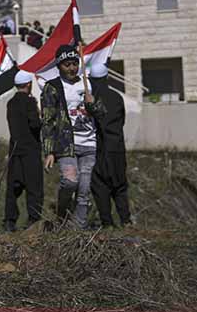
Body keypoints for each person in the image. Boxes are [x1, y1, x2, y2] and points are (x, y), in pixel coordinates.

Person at [41, 45, 106, 229]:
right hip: (65, 145)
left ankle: (77, 229)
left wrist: (92, 103)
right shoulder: (52, 88)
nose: (71, 68)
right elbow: (48, 121)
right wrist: (49, 151)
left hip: (89, 145)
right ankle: (61, 213)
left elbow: (102, 113)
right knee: (70, 181)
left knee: (84, 191)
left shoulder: (88, 83)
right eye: (67, 64)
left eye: (74, 64)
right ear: (59, 66)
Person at [89, 62, 131, 228]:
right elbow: (122, 121)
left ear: (92, 80)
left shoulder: (93, 99)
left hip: (102, 148)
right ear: (106, 77)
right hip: (118, 148)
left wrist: (90, 104)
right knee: (120, 186)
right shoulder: (117, 97)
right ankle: (126, 220)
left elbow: (98, 120)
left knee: (100, 185)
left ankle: (107, 223)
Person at [4, 70, 43, 232]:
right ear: (28, 84)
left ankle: (9, 220)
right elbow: (34, 124)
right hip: (30, 150)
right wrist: (40, 117)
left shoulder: (11, 102)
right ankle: (33, 219)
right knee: (34, 187)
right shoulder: (29, 102)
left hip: (15, 150)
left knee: (13, 188)